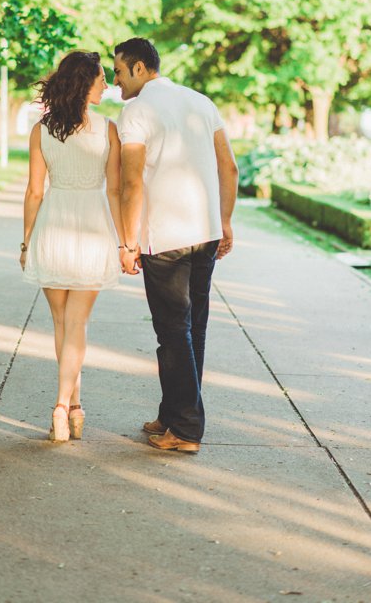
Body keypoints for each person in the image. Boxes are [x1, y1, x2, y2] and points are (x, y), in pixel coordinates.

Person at [115, 37, 239, 454]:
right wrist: (224, 221)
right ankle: (172, 413)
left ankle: (185, 430)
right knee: (192, 330)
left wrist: (128, 242)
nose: (115, 82)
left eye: (118, 71)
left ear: (138, 68)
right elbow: (230, 167)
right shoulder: (200, 102)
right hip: (204, 233)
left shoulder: (136, 112)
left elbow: (131, 183)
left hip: (164, 237)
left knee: (172, 332)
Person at [21, 50, 125, 443]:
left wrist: (27, 241)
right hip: (92, 229)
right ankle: (63, 407)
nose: (107, 84)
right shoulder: (108, 129)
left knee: (63, 326)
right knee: (77, 325)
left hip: (52, 228)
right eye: (101, 78)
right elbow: (114, 190)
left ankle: (75, 408)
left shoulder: (41, 130)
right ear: (86, 82)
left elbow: (34, 192)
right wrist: (124, 240)